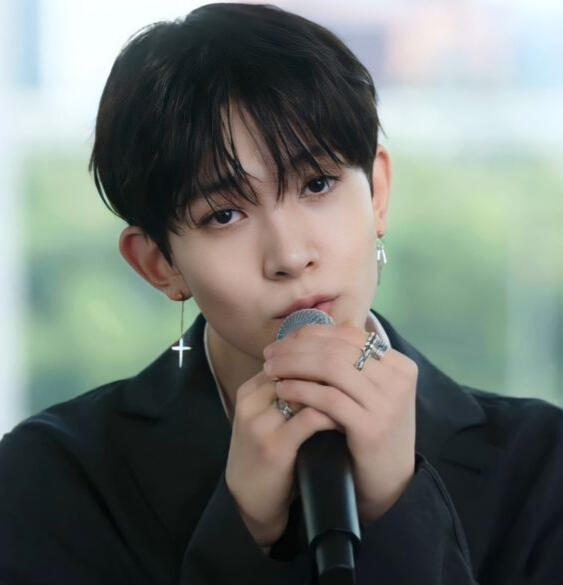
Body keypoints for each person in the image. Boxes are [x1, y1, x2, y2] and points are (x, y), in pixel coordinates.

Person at [1, 3, 562, 584]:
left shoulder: (540, 464)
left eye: (317, 184)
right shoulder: (54, 478)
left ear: (377, 194)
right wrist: (239, 532)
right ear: (159, 264)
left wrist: (401, 509)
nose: (291, 255)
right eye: (224, 215)